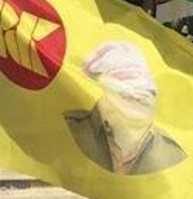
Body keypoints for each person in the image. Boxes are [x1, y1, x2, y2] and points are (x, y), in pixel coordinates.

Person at [65, 40, 186, 176]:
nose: (135, 101)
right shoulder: (70, 131)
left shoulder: (172, 152)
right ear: (101, 93)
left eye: (143, 92)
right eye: (125, 94)